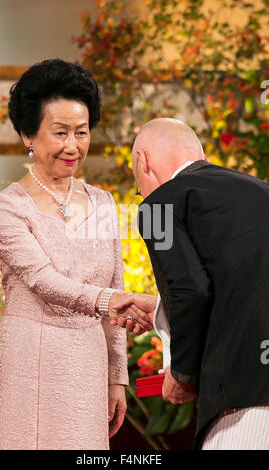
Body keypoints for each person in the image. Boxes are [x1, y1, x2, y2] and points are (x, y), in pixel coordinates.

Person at [0, 59, 156, 450]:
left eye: (82, 132)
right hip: (28, 359)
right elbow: (42, 279)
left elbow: (114, 284)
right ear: (28, 135)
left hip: (86, 361)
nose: (73, 146)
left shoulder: (104, 203)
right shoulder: (6, 207)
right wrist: (110, 301)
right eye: (60, 133)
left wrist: (116, 377)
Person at [112, 117, 269, 450]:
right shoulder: (258, 189)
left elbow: (190, 290)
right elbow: (239, 282)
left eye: (138, 186)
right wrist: (159, 309)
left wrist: (183, 375)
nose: (143, 194)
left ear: (143, 161)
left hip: (247, 392)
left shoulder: (158, 206)